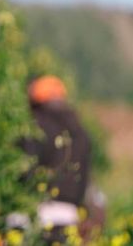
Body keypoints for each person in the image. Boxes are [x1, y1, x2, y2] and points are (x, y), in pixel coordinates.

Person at [21, 75, 92, 243]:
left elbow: (25, 170)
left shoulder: (35, 126)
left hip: (35, 215)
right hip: (69, 217)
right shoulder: (80, 131)